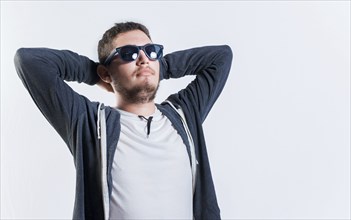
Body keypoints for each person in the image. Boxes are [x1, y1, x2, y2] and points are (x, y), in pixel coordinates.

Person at [14, 21, 233, 220]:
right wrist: (98, 75)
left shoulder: (184, 114)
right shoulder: (89, 122)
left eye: (151, 51)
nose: (143, 58)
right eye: (128, 53)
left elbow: (221, 57)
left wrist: (156, 68)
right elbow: (30, 61)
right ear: (106, 73)